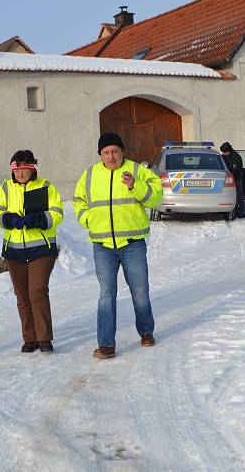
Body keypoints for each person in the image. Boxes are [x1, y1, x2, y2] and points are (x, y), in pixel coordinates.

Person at [74, 132, 162, 359]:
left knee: (140, 291)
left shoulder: (138, 171)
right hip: (102, 245)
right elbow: (79, 201)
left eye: (114, 151)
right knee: (106, 294)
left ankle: (146, 332)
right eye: (106, 152)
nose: (111, 156)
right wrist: (87, 219)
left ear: (122, 151)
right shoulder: (90, 175)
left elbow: (156, 198)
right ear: (100, 155)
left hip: (132, 244)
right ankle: (106, 344)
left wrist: (136, 186)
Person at [0, 150, 63, 353]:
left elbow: (57, 213)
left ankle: (44, 338)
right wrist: (7, 219)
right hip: (14, 250)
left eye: (24, 168)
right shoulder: (4, 188)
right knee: (22, 295)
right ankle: (30, 338)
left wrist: (40, 219)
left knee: (37, 292)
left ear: (33, 168)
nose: (20, 173)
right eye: (16, 169)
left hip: (41, 248)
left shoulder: (46, 187)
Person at [220, 142, 245, 219]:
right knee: (232, 195)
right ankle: (235, 209)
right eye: (222, 152)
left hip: (237, 178)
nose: (223, 154)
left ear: (229, 151)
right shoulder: (224, 156)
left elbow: (236, 170)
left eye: (224, 152)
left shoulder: (236, 157)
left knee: (239, 195)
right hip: (229, 179)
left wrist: (230, 176)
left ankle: (241, 213)